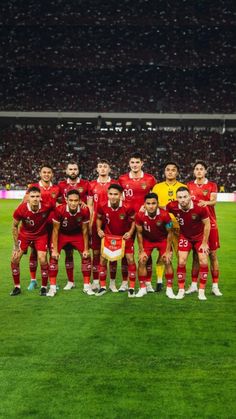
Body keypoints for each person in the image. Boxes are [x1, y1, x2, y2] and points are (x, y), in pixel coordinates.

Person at [118, 152, 157, 292]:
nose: (135, 165)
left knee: (146, 252)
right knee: (125, 252)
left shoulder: (150, 179)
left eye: (137, 162)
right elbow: (120, 198)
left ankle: (147, 283)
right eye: (132, 162)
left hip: (145, 220)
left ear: (142, 163)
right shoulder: (122, 179)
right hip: (127, 221)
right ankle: (124, 282)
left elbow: (154, 198)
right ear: (129, 164)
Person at [167, 187, 211, 301]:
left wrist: (205, 243)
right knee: (181, 261)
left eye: (185, 196)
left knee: (204, 260)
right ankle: (181, 290)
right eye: (180, 197)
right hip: (185, 236)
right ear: (177, 198)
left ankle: (201, 291)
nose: (183, 200)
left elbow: (207, 224)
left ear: (190, 196)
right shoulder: (172, 206)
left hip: (200, 237)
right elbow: (163, 211)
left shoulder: (200, 207)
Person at [47, 189, 93, 297]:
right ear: (66, 200)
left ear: (79, 201)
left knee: (86, 256)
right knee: (54, 257)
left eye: (76, 200)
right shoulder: (59, 210)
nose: (73, 203)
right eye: (71, 200)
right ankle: (53, 288)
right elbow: (55, 230)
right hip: (62, 234)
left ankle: (87, 286)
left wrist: (86, 248)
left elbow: (85, 230)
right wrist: (54, 250)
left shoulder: (85, 210)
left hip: (77, 235)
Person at [187, 161, 222, 296]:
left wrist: (205, 202)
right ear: (194, 171)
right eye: (197, 169)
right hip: (195, 225)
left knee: (212, 255)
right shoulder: (189, 185)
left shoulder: (212, 185)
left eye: (201, 169)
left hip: (211, 224)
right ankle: (194, 285)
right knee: (196, 256)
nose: (199, 171)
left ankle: (215, 286)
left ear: (205, 171)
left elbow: (213, 201)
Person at [10, 186, 53, 296]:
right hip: (25, 235)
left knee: (43, 259)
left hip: (41, 235)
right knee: (15, 258)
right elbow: (14, 226)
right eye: (32, 196)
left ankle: (43, 287)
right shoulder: (21, 209)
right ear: (28, 198)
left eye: (37, 196)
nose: (35, 199)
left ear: (40, 198)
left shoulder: (47, 205)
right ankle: (17, 287)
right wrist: (15, 246)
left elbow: (60, 208)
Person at [96, 184, 136, 297]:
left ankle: (131, 287)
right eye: (110, 194)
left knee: (130, 259)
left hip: (124, 237)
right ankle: (104, 286)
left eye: (115, 194)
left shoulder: (128, 206)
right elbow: (98, 218)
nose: (113, 197)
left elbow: (134, 220)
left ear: (120, 195)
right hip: (109, 237)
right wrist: (99, 229)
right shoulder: (102, 205)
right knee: (104, 260)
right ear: (107, 194)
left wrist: (130, 232)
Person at [152, 161, 186, 292]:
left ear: (177, 172)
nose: (170, 172)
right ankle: (160, 281)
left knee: (180, 256)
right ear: (164, 172)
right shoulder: (157, 187)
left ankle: (180, 282)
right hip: (163, 228)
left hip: (180, 227)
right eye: (168, 169)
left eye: (173, 170)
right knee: (163, 254)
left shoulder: (183, 187)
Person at [25, 164, 60, 291]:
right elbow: (25, 203)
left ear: (52, 174)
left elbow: (61, 203)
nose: (46, 174)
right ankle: (33, 280)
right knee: (34, 252)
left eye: (49, 172)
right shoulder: (33, 188)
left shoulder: (56, 188)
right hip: (37, 227)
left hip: (52, 226)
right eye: (44, 172)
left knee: (52, 252)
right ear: (40, 174)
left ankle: (52, 282)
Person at [135, 193, 175, 298]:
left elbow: (170, 232)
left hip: (162, 240)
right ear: (144, 204)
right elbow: (139, 233)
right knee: (142, 260)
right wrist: (141, 250)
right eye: (148, 203)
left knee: (167, 260)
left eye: (153, 203)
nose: (151, 206)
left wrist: (167, 251)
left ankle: (169, 289)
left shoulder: (165, 215)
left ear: (157, 204)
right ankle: (142, 288)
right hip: (148, 240)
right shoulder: (139, 215)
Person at [57, 162, 90, 288]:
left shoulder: (85, 184)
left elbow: (90, 203)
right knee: (68, 253)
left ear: (78, 170)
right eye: (70, 169)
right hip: (66, 225)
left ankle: (88, 282)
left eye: (75, 169)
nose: (73, 171)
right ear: (66, 171)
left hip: (81, 224)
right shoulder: (61, 185)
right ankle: (70, 282)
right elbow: (57, 201)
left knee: (86, 253)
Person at [87, 160, 117, 292]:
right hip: (95, 223)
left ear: (109, 169)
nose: (103, 169)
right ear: (97, 169)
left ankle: (112, 282)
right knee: (96, 252)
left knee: (112, 252)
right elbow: (90, 205)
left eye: (105, 166)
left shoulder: (115, 184)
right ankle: (96, 281)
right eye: (100, 167)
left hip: (112, 222)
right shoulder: (91, 184)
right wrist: (89, 222)